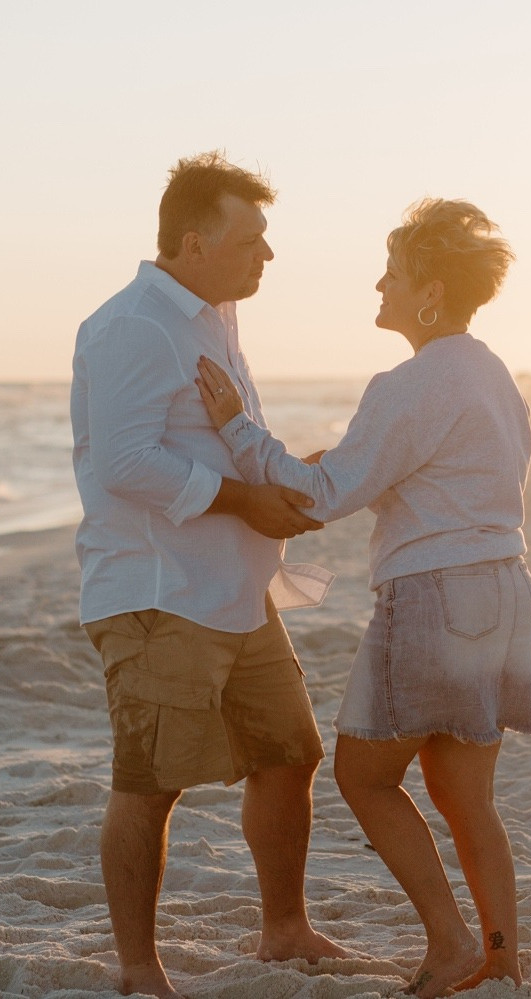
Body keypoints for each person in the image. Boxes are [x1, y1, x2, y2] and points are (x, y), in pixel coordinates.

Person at [196, 198, 531, 998]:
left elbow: (324, 494)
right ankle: (502, 960)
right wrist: (333, 469)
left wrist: (239, 429)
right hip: (506, 590)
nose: (377, 285)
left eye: (393, 273)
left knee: (363, 776)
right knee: (465, 796)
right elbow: (414, 474)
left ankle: (453, 946)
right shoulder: (492, 373)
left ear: (429, 292)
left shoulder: (409, 382)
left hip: (433, 596)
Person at [71, 151, 348, 999]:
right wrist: (245, 501)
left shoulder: (213, 314)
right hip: (158, 593)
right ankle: (138, 969)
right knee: (150, 784)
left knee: (290, 754)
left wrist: (285, 481)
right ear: (194, 242)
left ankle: (284, 929)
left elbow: (208, 441)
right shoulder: (133, 325)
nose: (266, 256)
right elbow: (124, 463)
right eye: (252, 240)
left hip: (236, 590)